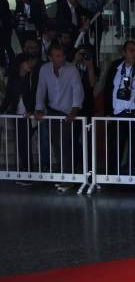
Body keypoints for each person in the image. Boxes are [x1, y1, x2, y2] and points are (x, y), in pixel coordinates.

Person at [35, 44, 84, 188]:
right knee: (57, 145)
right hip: (52, 111)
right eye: (57, 55)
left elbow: (77, 89)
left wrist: (75, 109)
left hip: (68, 112)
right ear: (50, 57)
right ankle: (65, 175)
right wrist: (39, 108)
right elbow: (41, 89)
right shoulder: (44, 70)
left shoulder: (72, 69)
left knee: (66, 145)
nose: (61, 58)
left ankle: (69, 177)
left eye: (62, 55)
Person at [103, 40, 135, 175]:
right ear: (123, 52)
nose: (134, 53)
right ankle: (111, 176)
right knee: (116, 146)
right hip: (118, 113)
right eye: (130, 50)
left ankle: (131, 176)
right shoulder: (115, 67)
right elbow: (108, 90)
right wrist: (108, 112)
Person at [0, 55, 36, 179]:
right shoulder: (13, 79)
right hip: (18, 116)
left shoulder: (31, 78)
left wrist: (31, 111)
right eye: (27, 62)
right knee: (22, 144)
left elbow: (35, 96)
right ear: (21, 64)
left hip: (30, 116)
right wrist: (1, 110)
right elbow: (8, 98)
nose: (30, 64)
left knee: (25, 143)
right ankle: (26, 170)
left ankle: (28, 170)